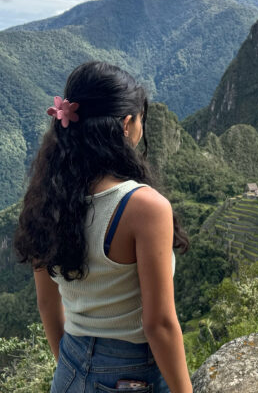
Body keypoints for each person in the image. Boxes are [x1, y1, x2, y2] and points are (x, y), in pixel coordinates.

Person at [14, 61, 193, 393]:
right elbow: (159, 325)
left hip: (69, 366)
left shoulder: (46, 196)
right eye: (141, 120)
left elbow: (48, 303)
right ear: (126, 125)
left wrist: (74, 369)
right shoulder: (144, 207)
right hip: (133, 375)